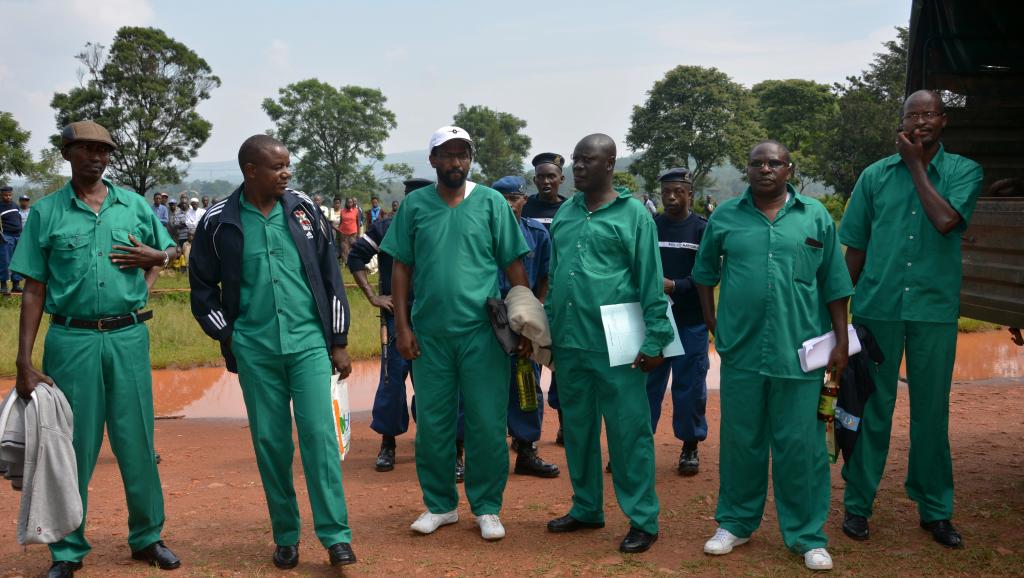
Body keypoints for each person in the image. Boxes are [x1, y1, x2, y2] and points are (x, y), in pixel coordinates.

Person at [11, 120, 181, 578]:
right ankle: (67, 550)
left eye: (103, 150)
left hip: (128, 337)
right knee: (71, 446)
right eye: (85, 149)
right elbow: (33, 288)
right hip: (71, 340)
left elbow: (169, 253)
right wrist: (23, 361)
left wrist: (154, 263)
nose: (96, 157)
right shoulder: (46, 213)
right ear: (67, 154)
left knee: (137, 440)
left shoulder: (135, 206)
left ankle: (148, 537)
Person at [188, 134, 357, 568]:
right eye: (277, 167)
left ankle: (336, 536)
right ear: (251, 171)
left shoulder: (302, 211)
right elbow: (203, 288)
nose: (286, 173)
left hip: (308, 345)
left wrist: (338, 341)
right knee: (271, 444)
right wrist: (229, 337)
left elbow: (329, 274)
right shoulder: (218, 221)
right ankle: (285, 535)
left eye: (288, 166)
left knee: (320, 439)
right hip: (255, 349)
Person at [692, 141, 852, 571]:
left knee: (800, 446)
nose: (766, 169)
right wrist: (713, 324)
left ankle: (807, 535)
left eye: (774, 163)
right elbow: (704, 274)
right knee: (742, 442)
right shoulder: (725, 216)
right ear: (746, 170)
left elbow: (834, 284)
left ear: (789, 169)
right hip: (742, 352)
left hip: (799, 354)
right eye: (757, 163)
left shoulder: (815, 216)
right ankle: (736, 523)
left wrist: (840, 342)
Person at [838, 90, 984, 549]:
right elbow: (855, 248)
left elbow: (945, 220)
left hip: (933, 310)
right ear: (900, 122)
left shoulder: (963, 171)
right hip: (877, 308)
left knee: (930, 413)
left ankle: (935, 510)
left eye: (928, 114)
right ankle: (858, 505)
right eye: (911, 114)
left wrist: (917, 166)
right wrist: (837, 318)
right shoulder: (875, 176)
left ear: (943, 121)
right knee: (870, 408)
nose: (920, 121)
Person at [380, 126, 533, 541]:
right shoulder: (415, 206)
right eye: (446, 155)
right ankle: (440, 505)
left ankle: (487, 507)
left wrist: (524, 322)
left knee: (486, 421)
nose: (455, 162)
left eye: (462, 154)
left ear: (470, 159)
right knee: (433, 423)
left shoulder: (490, 204)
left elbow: (514, 265)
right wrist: (402, 327)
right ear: (432, 160)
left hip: (483, 333)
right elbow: (401, 268)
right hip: (429, 334)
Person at [544, 134, 672, 554]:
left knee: (627, 433)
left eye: (587, 160)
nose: (578, 168)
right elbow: (556, 272)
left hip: (619, 344)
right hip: (571, 341)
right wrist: (545, 328)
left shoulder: (633, 215)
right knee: (577, 430)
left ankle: (643, 519)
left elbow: (650, 279)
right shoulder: (566, 211)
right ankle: (586, 508)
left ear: (610, 164)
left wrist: (656, 338)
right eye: (575, 161)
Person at [347, 177, 468, 479]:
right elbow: (356, 256)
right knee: (392, 382)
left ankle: (453, 450)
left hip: (439, 318)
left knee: (444, 385)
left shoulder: (448, 223)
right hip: (397, 315)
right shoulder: (386, 228)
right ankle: (388, 444)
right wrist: (373, 296)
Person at [491, 175, 559, 479]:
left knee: (527, 382)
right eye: (502, 198)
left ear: (524, 200)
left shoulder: (537, 234)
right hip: (488, 317)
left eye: (514, 197)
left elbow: (544, 274)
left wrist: (535, 310)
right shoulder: (482, 232)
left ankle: (527, 449)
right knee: (481, 385)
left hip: (523, 315)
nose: (509, 203)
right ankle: (466, 452)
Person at [646, 168, 709, 476]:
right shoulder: (650, 226)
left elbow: (709, 275)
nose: (671, 197)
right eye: (666, 192)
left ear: (690, 194)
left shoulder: (701, 229)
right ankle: (638, 446)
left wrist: (675, 286)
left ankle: (689, 446)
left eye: (677, 191)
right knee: (647, 387)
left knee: (690, 387)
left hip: (690, 321)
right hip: (654, 321)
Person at [522, 152, 569, 445]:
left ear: (561, 179)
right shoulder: (524, 207)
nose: (546, 181)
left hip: (564, 297)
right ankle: (526, 431)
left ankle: (566, 424)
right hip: (533, 297)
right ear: (534, 179)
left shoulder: (571, 209)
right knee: (529, 362)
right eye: (540, 176)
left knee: (563, 364)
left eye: (551, 176)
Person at [0, 185, 23, 294]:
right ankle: (3, 285)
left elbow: (19, 220)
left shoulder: (15, 205)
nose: (8, 197)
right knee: (5, 261)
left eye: (9, 195)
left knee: (17, 260)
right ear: (1, 195)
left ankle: (16, 285)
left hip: (18, 235)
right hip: (6, 236)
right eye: (5, 195)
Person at [337, 197, 360, 264]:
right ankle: (345, 262)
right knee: (344, 248)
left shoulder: (356, 210)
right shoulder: (342, 211)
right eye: (348, 202)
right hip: (343, 233)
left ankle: (352, 261)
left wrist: (358, 232)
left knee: (352, 247)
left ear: (353, 203)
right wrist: (338, 230)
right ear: (346, 203)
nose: (350, 203)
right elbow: (341, 222)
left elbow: (357, 222)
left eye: (351, 202)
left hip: (353, 232)